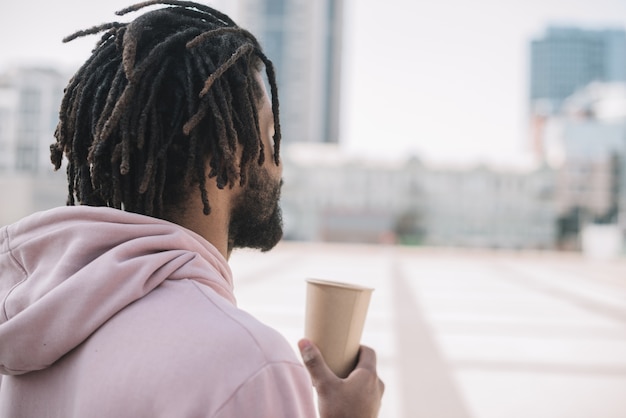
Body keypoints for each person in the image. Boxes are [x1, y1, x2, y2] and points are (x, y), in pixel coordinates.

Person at [0, 1, 384, 417]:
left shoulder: (23, 320)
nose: (278, 161)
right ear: (227, 156)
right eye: (271, 136)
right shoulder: (245, 364)